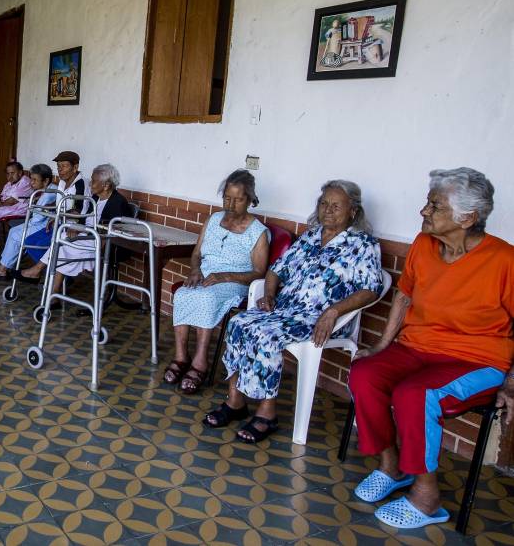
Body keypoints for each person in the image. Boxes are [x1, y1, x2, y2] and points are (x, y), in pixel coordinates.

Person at [347, 167, 513, 530]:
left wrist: (511, 383)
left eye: (434, 205)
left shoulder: (505, 260)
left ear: (467, 217)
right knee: (364, 374)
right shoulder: (424, 245)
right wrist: (379, 347)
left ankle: (426, 498)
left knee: (415, 394)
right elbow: (403, 298)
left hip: (476, 360)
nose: (424, 210)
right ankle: (391, 468)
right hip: (417, 348)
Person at [203, 180, 383, 443]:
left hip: (322, 318)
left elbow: (371, 289)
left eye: (336, 206)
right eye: (323, 204)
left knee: (265, 334)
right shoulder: (311, 236)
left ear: (353, 211)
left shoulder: (363, 244)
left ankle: (267, 413)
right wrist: (269, 294)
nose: (328, 210)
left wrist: (334, 312)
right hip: (286, 309)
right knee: (239, 322)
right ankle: (235, 400)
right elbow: (276, 269)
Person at [164, 169, 270, 394]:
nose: (231, 204)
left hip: (236, 280)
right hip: (205, 275)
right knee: (183, 293)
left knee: (206, 297)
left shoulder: (258, 232)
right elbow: (197, 253)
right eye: (227, 198)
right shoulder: (213, 220)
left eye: (238, 199)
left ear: (250, 200)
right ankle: (181, 357)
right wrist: (195, 269)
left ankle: (200, 362)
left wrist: (225, 276)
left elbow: (260, 272)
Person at [14, 164, 132, 299]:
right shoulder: (96, 198)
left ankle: (40, 274)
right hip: (87, 236)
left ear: (106, 185)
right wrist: (76, 228)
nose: (90, 184)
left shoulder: (118, 202)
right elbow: (85, 219)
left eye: (93, 181)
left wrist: (83, 231)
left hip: (101, 242)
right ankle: (52, 291)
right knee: (62, 237)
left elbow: (112, 231)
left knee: (62, 246)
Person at [0, 163, 57, 280]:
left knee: (16, 235)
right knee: (13, 231)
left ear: (46, 180)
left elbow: (38, 218)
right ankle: (4, 267)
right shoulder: (47, 189)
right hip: (37, 223)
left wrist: (34, 205)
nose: (31, 183)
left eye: (34, 180)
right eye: (31, 179)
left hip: (43, 226)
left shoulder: (50, 194)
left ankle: (2, 270)